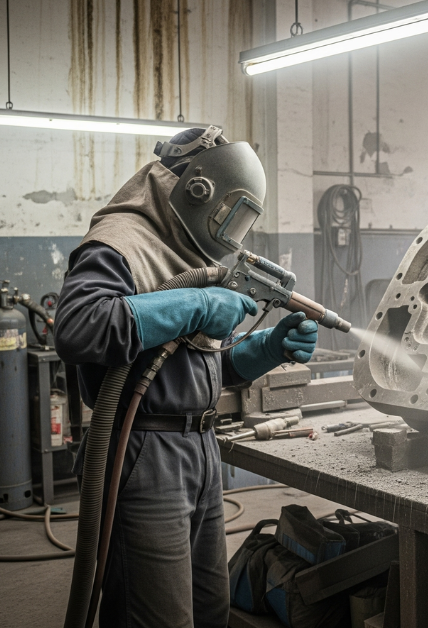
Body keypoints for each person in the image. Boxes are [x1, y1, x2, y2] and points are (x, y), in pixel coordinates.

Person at [54, 126, 318, 628]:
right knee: (156, 616)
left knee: (209, 609)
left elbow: (201, 369)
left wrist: (268, 348)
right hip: (142, 452)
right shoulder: (120, 243)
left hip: (200, 447)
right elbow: (78, 327)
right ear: (200, 190)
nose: (232, 234)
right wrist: (196, 303)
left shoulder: (188, 254)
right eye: (232, 216)